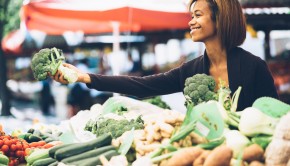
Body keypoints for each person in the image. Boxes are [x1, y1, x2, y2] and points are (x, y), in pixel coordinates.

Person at [51, 0, 278, 111]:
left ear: (220, 18)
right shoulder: (191, 71)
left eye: (198, 15)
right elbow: (142, 85)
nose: (190, 22)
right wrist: (86, 77)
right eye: (191, 15)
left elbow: (275, 116)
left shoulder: (254, 67)